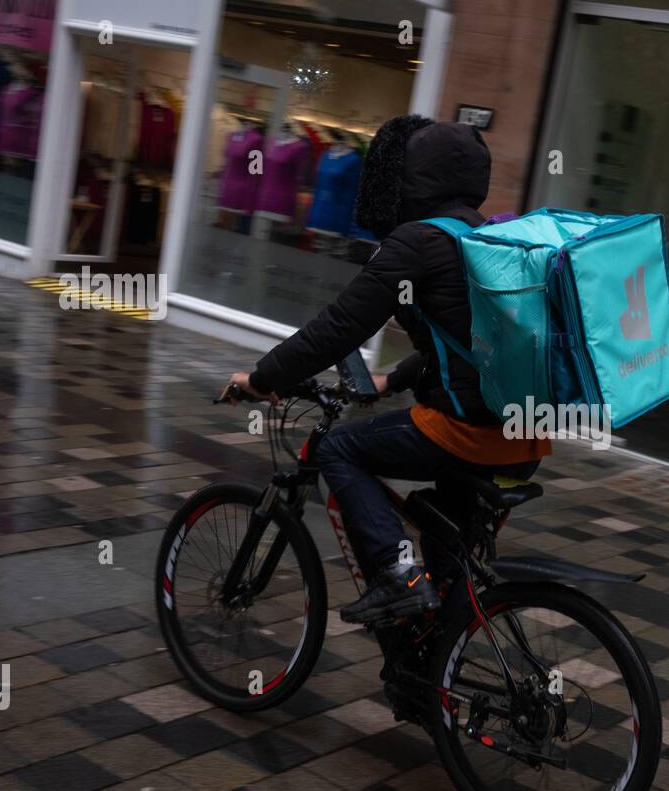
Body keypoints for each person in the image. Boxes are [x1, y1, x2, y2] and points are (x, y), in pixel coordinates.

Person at [227, 115, 550, 623]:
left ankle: (396, 573)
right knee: (450, 581)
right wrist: (391, 380)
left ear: (410, 176)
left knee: (337, 448)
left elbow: (339, 326)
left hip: (465, 432)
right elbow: (467, 344)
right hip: (524, 436)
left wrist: (264, 379)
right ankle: (439, 675)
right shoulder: (483, 238)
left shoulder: (418, 241)